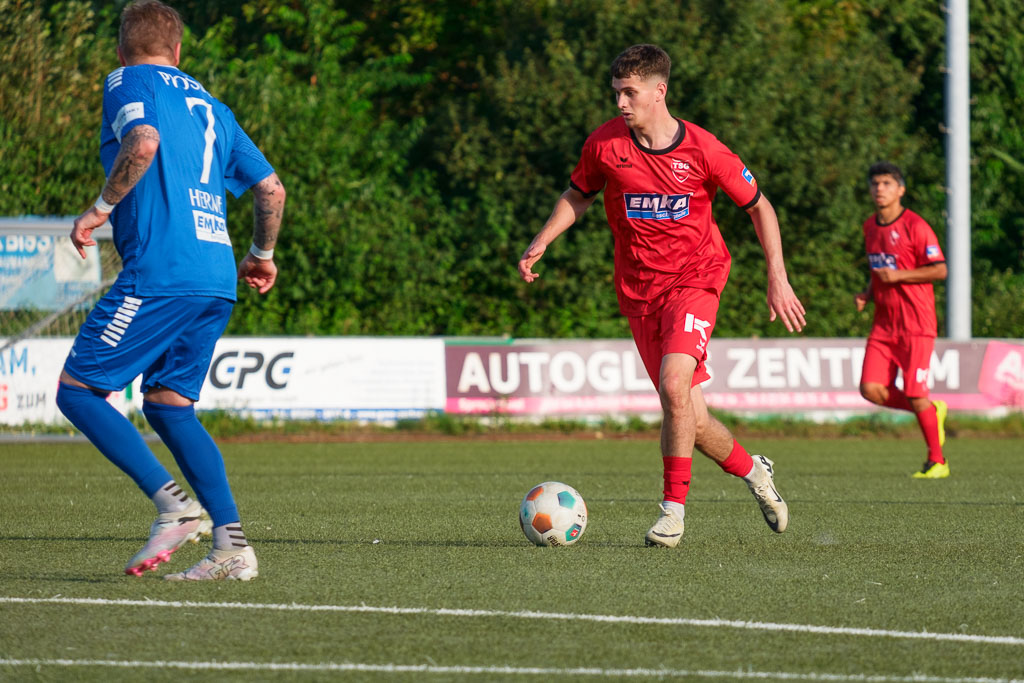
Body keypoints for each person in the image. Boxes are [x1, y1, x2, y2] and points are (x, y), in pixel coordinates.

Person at [518, 44, 805, 547]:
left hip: (697, 278)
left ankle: (672, 513)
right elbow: (579, 194)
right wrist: (544, 238)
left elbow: (761, 208)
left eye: (630, 93)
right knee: (690, 417)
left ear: (659, 91)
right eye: (617, 93)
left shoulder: (704, 150)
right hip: (639, 292)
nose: (621, 103)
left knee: (674, 388)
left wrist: (776, 276)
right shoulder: (605, 145)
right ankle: (755, 472)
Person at [56, 0, 285, 580]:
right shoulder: (213, 105)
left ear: (120, 47)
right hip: (215, 279)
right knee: (169, 405)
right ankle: (233, 549)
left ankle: (173, 506)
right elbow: (272, 190)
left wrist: (98, 210)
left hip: (161, 272)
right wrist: (260, 255)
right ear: (180, 51)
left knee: (78, 391)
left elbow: (143, 143)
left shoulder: (126, 79)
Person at [854, 162, 948, 478]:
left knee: (915, 392)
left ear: (900, 189)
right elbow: (878, 269)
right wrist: (868, 292)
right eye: (875, 183)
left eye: (887, 183)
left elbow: (940, 269)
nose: (879, 188)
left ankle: (938, 462)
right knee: (870, 389)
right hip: (883, 326)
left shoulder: (916, 226)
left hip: (917, 325)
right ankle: (931, 413)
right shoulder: (869, 227)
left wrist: (899, 276)